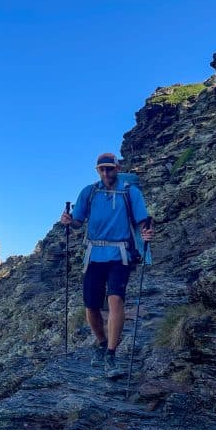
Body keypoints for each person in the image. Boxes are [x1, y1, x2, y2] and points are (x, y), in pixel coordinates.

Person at [60, 152, 153, 377]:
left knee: (115, 300)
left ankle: (111, 354)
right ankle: (102, 344)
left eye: (110, 168)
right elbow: (78, 222)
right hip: (94, 255)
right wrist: (69, 221)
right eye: (102, 169)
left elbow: (144, 220)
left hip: (120, 255)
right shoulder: (89, 193)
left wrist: (147, 232)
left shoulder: (130, 192)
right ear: (97, 170)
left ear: (117, 168)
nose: (106, 172)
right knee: (91, 307)